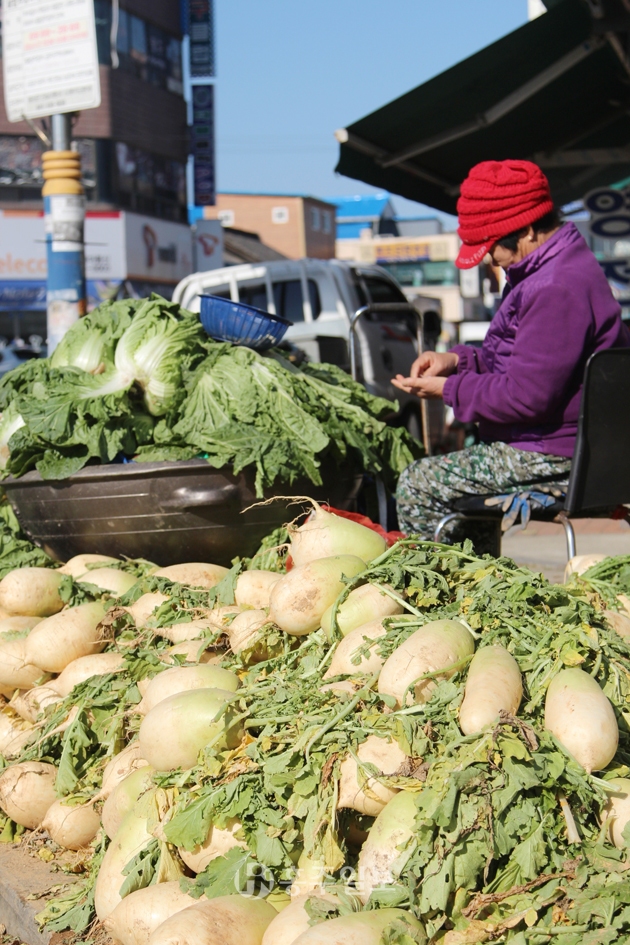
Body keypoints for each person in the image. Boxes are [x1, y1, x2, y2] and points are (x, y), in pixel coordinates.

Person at [392, 159, 630, 546]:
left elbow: (526, 396)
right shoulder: (552, 270)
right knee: (442, 480)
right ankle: (477, 584)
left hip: (552, 453)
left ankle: (446, 591)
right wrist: (455, 362)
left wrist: (447, 391)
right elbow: (523, 363)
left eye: (490, 247)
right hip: (554, 443)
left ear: (529, 229)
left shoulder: (554, 288)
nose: (488, 259)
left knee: (418, 483)